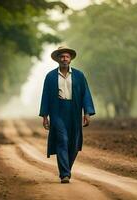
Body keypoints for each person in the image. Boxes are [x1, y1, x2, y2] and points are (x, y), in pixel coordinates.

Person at [39, 46, 95, 183]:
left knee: (73, 144)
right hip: (57, 111)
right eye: (62, 56)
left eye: (67, 57)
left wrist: (87, 112)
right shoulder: (50, 76)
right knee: (62, 140)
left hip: (74, 111)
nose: (64, 59)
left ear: (70, 59)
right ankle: (65, 174)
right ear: (58, 59)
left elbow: (85, 94)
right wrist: (45, 116)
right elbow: (45, 96)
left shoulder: (79, 75)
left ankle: (66, 169)